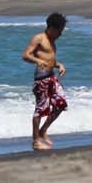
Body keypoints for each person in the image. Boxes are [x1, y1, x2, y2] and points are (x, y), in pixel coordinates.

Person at [22, 12, 68, 151]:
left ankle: (43, 130)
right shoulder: (39, 38)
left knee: (61, 104)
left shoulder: (52, 42)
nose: (61, 34)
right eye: (59, 31)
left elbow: (50, 60)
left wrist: (58, 64)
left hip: (51, 77)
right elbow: (25, 55)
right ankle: (36, 141)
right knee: (40, 110)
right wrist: (37, 60)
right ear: (52, 28)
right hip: (41, 80)